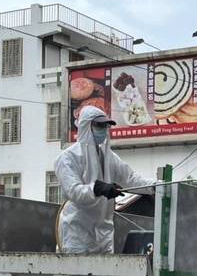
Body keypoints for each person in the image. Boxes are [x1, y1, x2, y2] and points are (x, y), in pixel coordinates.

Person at [54, 105, 155, 253]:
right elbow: (74, 192)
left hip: (104, 235)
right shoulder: (68, 158)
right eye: (99, 125)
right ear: (85, 126)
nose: (103, 130)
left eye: (105, 126)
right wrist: (98, 188)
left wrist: (157, 186)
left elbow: (131, 179)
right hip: (78, 234)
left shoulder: (109, 157)